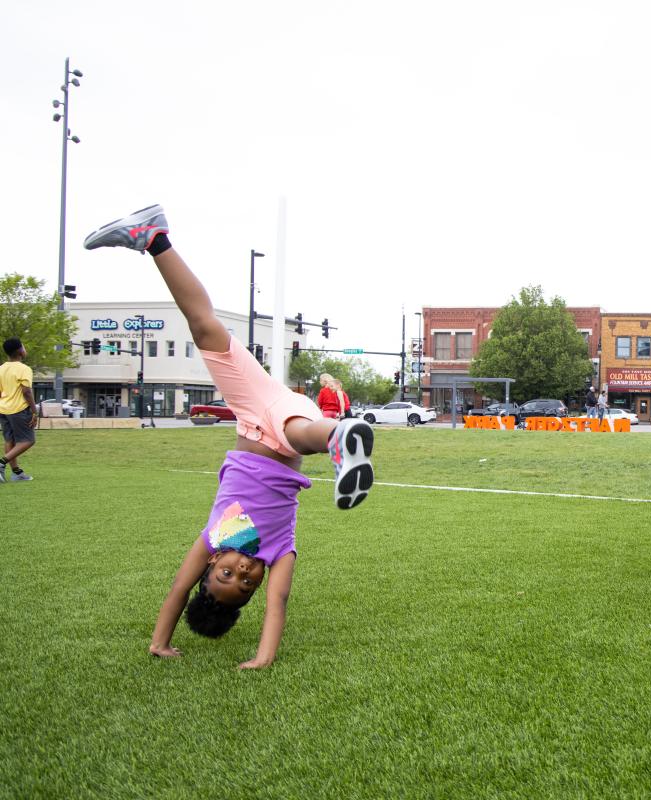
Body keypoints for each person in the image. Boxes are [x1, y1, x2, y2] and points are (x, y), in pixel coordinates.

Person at [83, 204, 376, 669]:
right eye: (245, 583)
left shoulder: (216, 537)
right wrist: (263, 658)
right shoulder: (280, 553)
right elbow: (277, 607)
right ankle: (338, 438)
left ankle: (155, 239)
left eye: (224, 574)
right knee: (295, 434)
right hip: (282, 431)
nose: (240, 571)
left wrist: (160, 640)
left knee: (205, 328)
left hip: (253, 415)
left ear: (211, 564)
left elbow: (180, 587)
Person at [0, 337, 38, 482]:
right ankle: (1, 463)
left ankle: (16, 472)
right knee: (28, 440)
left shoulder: (1, 368)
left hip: (3, 410)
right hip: (19, 410)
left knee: (10, 440)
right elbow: (26, 391)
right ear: (21, 351)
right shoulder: (24, 369)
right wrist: (34, 411)